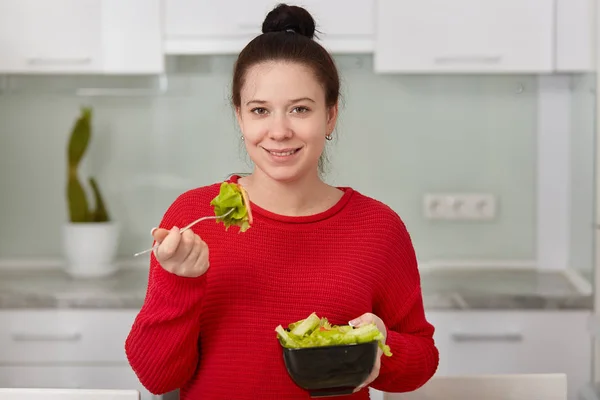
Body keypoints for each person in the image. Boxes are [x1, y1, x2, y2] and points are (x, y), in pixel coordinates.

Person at [125, 3, 439, 399]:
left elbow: (422, 360)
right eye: (260, 110)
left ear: (330, 116)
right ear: (240, 117)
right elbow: (156, 377)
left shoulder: (378, 227)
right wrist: (178, 283)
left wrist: (381, 349)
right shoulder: (193, 217)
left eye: (300, 109)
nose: (279, 131)